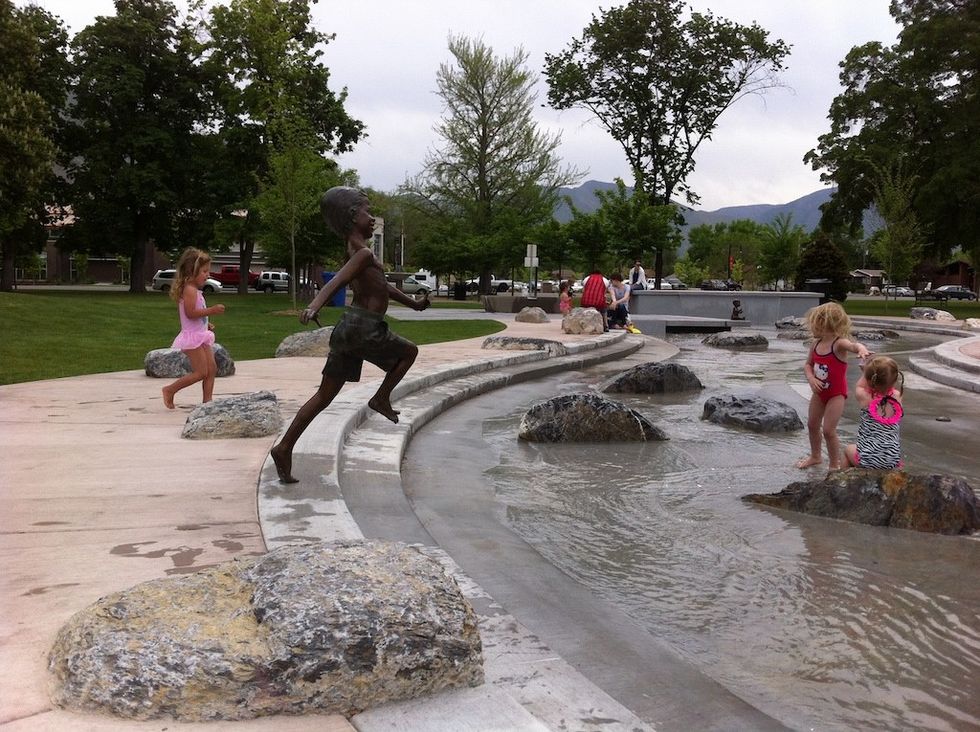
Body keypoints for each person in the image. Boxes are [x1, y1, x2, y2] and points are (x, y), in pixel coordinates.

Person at [270, 186, 430, 483]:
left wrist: (415, 305)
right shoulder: (363, 253)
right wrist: (315, 304)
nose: (373, 218)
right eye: (368, 212)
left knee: (323, 395)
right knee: (409, 352)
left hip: (349, 330)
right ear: (353, 216)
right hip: (364, 328)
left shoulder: (358, 252)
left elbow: (383, 286)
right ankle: (381, 398)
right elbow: (339, 280)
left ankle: (284, 447)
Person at [796, 302, 872, 470]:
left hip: (836, 394)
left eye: (813, 324)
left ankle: (834, 465)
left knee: (829, 430)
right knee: (812, 425)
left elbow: (853, 345)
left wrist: (862, 349)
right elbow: (808, 365)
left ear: (823, 324)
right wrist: (811, 379)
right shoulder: (815, 344)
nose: (811, 328)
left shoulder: (838, 344)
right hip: (819, 393)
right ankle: (816, 456)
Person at [162, 248, 225, 409]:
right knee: (201, 372)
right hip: (192, 338)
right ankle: (170, 390)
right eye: (204, 271)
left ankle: (207, 402)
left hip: (200, 334)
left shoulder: (195, 291)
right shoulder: (189, 290)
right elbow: (190, 313)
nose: (207, 275)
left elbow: (196, 315)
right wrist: (211, 311)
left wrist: (206, 322)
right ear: (192, 271)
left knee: (211, 369)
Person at [844, 356, 904, 469]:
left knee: (848, 450)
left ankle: (843, 481)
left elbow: (860, 385)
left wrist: (865, 371)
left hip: (867, 460)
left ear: (869, 380)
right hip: (892, 461)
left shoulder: (865, 397)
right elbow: (886, 386)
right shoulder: (898, 396)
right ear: (895, 380)